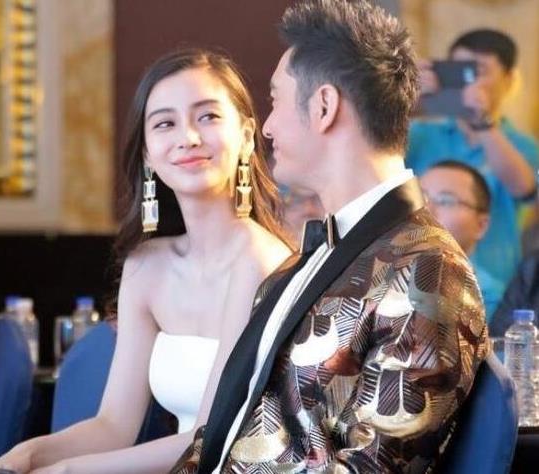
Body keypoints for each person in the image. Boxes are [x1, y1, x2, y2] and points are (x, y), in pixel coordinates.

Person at [170, 1, 488, 472]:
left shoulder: (426, 269)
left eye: (275, 100)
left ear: (324, 106)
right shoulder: (307, 258)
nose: (267, 127)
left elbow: (371, 467)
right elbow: (223, 434)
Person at [0, 49, 291, 473]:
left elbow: (210, 439)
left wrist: (66, 471)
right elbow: (113, 426)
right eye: (165, 124)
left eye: (207, 116)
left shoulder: (260, 261)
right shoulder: (146, 266)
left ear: (246, 135)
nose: (188, 137)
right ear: (148, 153)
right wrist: (27, 455)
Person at [408, 29, 539, 296]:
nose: (467, 83)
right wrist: (404, 103)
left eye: (478, 71)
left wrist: (483, 122)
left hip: (497, 288)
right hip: (420, 280)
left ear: (509, 79)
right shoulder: (419, 134)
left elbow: (525, 189)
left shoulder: (523, 145)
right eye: (457, 72)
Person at [420, 160, 504, 320]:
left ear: (481, 225)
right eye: (421, 198)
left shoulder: (492, 299)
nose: (426, 210)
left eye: (446, 201)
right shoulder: (386, 280)